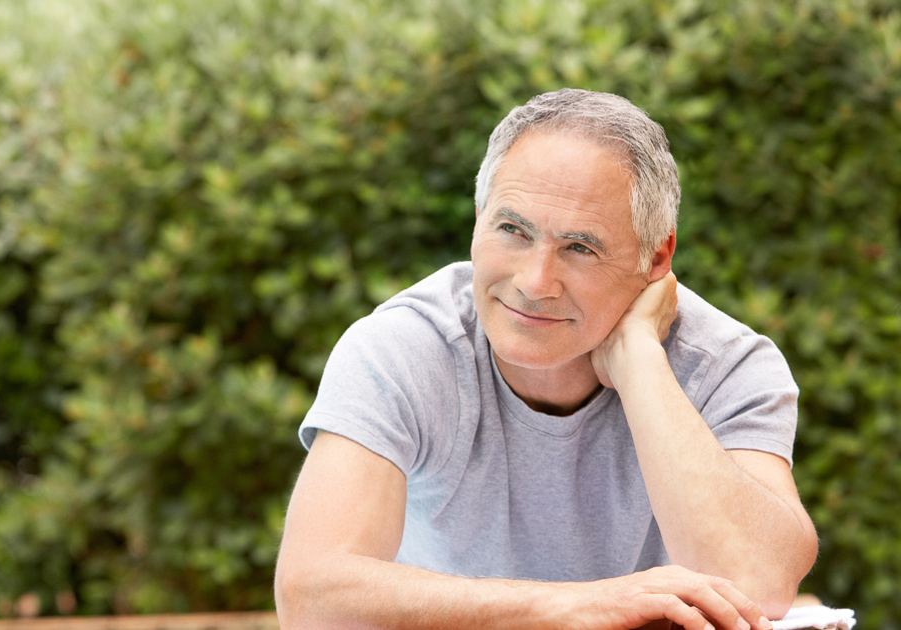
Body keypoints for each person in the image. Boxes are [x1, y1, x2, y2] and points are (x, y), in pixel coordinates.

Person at [274, 88, 817, 630]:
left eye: (580, 247)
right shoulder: (404, 349)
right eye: (512, 230)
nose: (534, 283)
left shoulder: (725, 365)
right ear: (478, 221)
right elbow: (312, 597)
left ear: (656, 258)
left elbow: (760, 584)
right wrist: (573, 607)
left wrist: (639, 364)